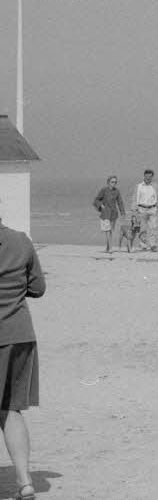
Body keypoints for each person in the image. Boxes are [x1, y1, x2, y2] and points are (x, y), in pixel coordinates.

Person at [0, 207, 46, 500]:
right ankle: (25, 481)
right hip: (18, 333)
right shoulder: (21, 241)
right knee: (10, 409)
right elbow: (38, 288)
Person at [92, 175, 127, 253]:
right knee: (107, 230)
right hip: (105, 213)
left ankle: (107, 247)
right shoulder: (103, 190)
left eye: (115, 182)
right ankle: (110, 247)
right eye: (112, 182)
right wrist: (100, 205)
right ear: (108, 182)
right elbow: (96, 199)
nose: (114, 183)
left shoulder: (117, 191)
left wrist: (123, 213)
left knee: (111, 231)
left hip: (114, 213)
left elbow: (120, 202)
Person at [131, 169, 158, 252]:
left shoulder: (155, 186)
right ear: (144, 176)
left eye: (150, 176)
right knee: (142, 229)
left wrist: (157, 206)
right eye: (147, 176)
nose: (148, 178)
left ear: (152, 177)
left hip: (152, 209)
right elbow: (134, 198)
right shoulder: (139, 186)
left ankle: (153, 245)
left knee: (153, 228)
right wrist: (134, 211)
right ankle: (143, 246)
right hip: (142, 209)